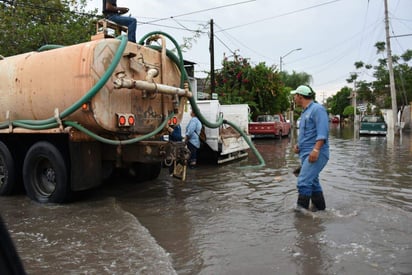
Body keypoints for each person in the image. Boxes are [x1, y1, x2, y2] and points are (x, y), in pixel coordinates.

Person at [292, 85, 329, 211]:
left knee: (303, 181)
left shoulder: (317, 109)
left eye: (295, 95)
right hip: (306, 152)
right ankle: (320, 211)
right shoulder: (305, 112)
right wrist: (298, 146)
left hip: (316, 153)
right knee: (313, 183)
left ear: (300, 96)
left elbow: (322, 133)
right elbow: (308, 134)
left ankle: (301, 217)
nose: (294, 98)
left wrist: (316, 150)